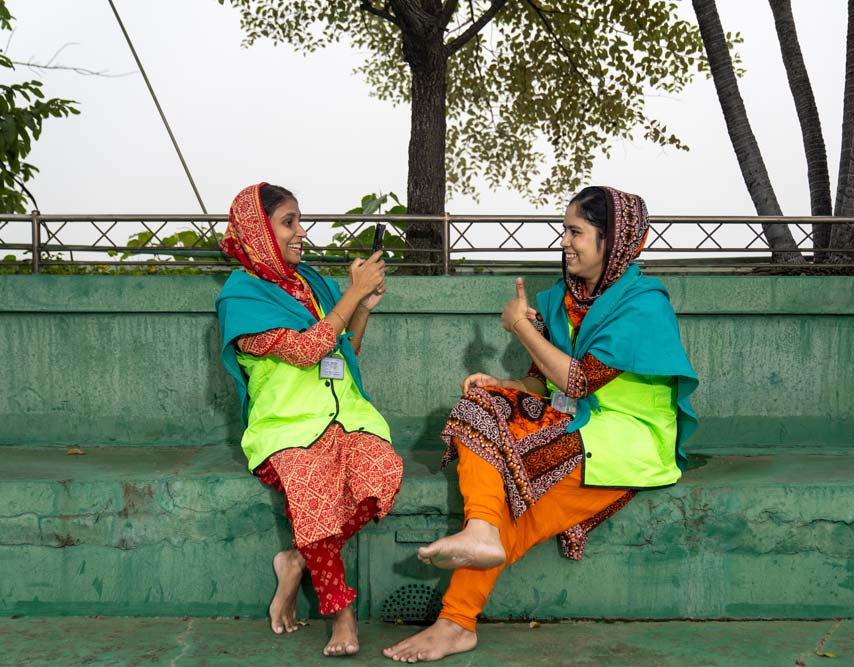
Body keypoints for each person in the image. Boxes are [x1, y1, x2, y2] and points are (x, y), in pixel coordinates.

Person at [383, 186, 698, 663]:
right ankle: (479, 542)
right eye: (564, 230)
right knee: (476, 404)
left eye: (576, 232)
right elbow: (543, 385)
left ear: (613, 241)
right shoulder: (561, 299)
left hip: (624, 439)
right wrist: (502, 383)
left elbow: (580, 379)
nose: (565, 242)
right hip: (571, 420)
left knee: (518, 479)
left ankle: (455, 620)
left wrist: (519, 327)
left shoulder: (642, 304)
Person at [215, 182, 402, 657]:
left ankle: (296, 559)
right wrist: (352, 293)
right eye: (288, 222)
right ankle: (340, 617)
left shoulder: (313, 284)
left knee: (383, 476)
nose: (301, 232)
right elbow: (305, 350)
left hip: (346, 419)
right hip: (287, 430)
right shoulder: (241, 297)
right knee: (313, 496)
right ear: (258, 231)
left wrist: (361, 306)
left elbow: (344, 351)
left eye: (300, 220)